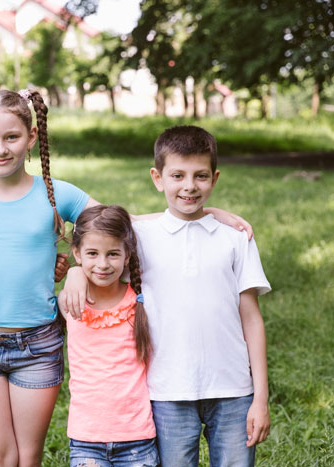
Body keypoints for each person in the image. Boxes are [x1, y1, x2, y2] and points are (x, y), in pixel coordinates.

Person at [60, 125, 271, 467]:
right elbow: (98, 236)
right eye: (178, 176)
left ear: (214, 179)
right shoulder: (139, 238)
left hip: (234, 389)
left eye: (200, 176)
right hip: (166, 391)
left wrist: (260, 397)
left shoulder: (235, 238)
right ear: (157, 178)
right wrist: (73, 271)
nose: (189, 186)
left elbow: (252, 318)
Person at [0, 88, 94, 467]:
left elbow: (117, 227)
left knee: (27, 457)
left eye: (11, 137)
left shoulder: (56, 195)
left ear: (31, 137)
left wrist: (78, 270)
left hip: (37, 346)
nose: (0, 149)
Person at [64, 204, 159, 467]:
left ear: (127, 256)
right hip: (86, 440)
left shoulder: (142, 302)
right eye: (92, 253)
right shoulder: (71, 301)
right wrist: (73, 273)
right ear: (77, 253)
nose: (103, 264)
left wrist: (211, 213)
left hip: (137, 439)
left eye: (113, 254)